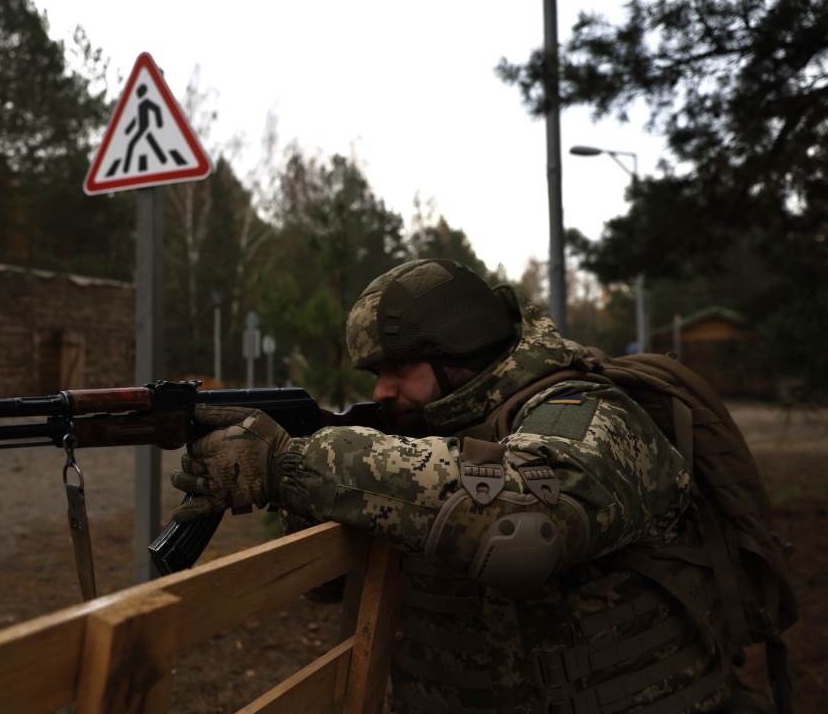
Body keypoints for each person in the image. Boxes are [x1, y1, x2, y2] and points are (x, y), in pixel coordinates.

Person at [170, 258, 769, 713]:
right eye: (375, 373)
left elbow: (526, 525)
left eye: (398, 367)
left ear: (460, 354)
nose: (381, 391)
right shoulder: (411, 439)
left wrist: (298, 463)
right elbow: (329, 589)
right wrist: (298, 487)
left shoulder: (584, 408)